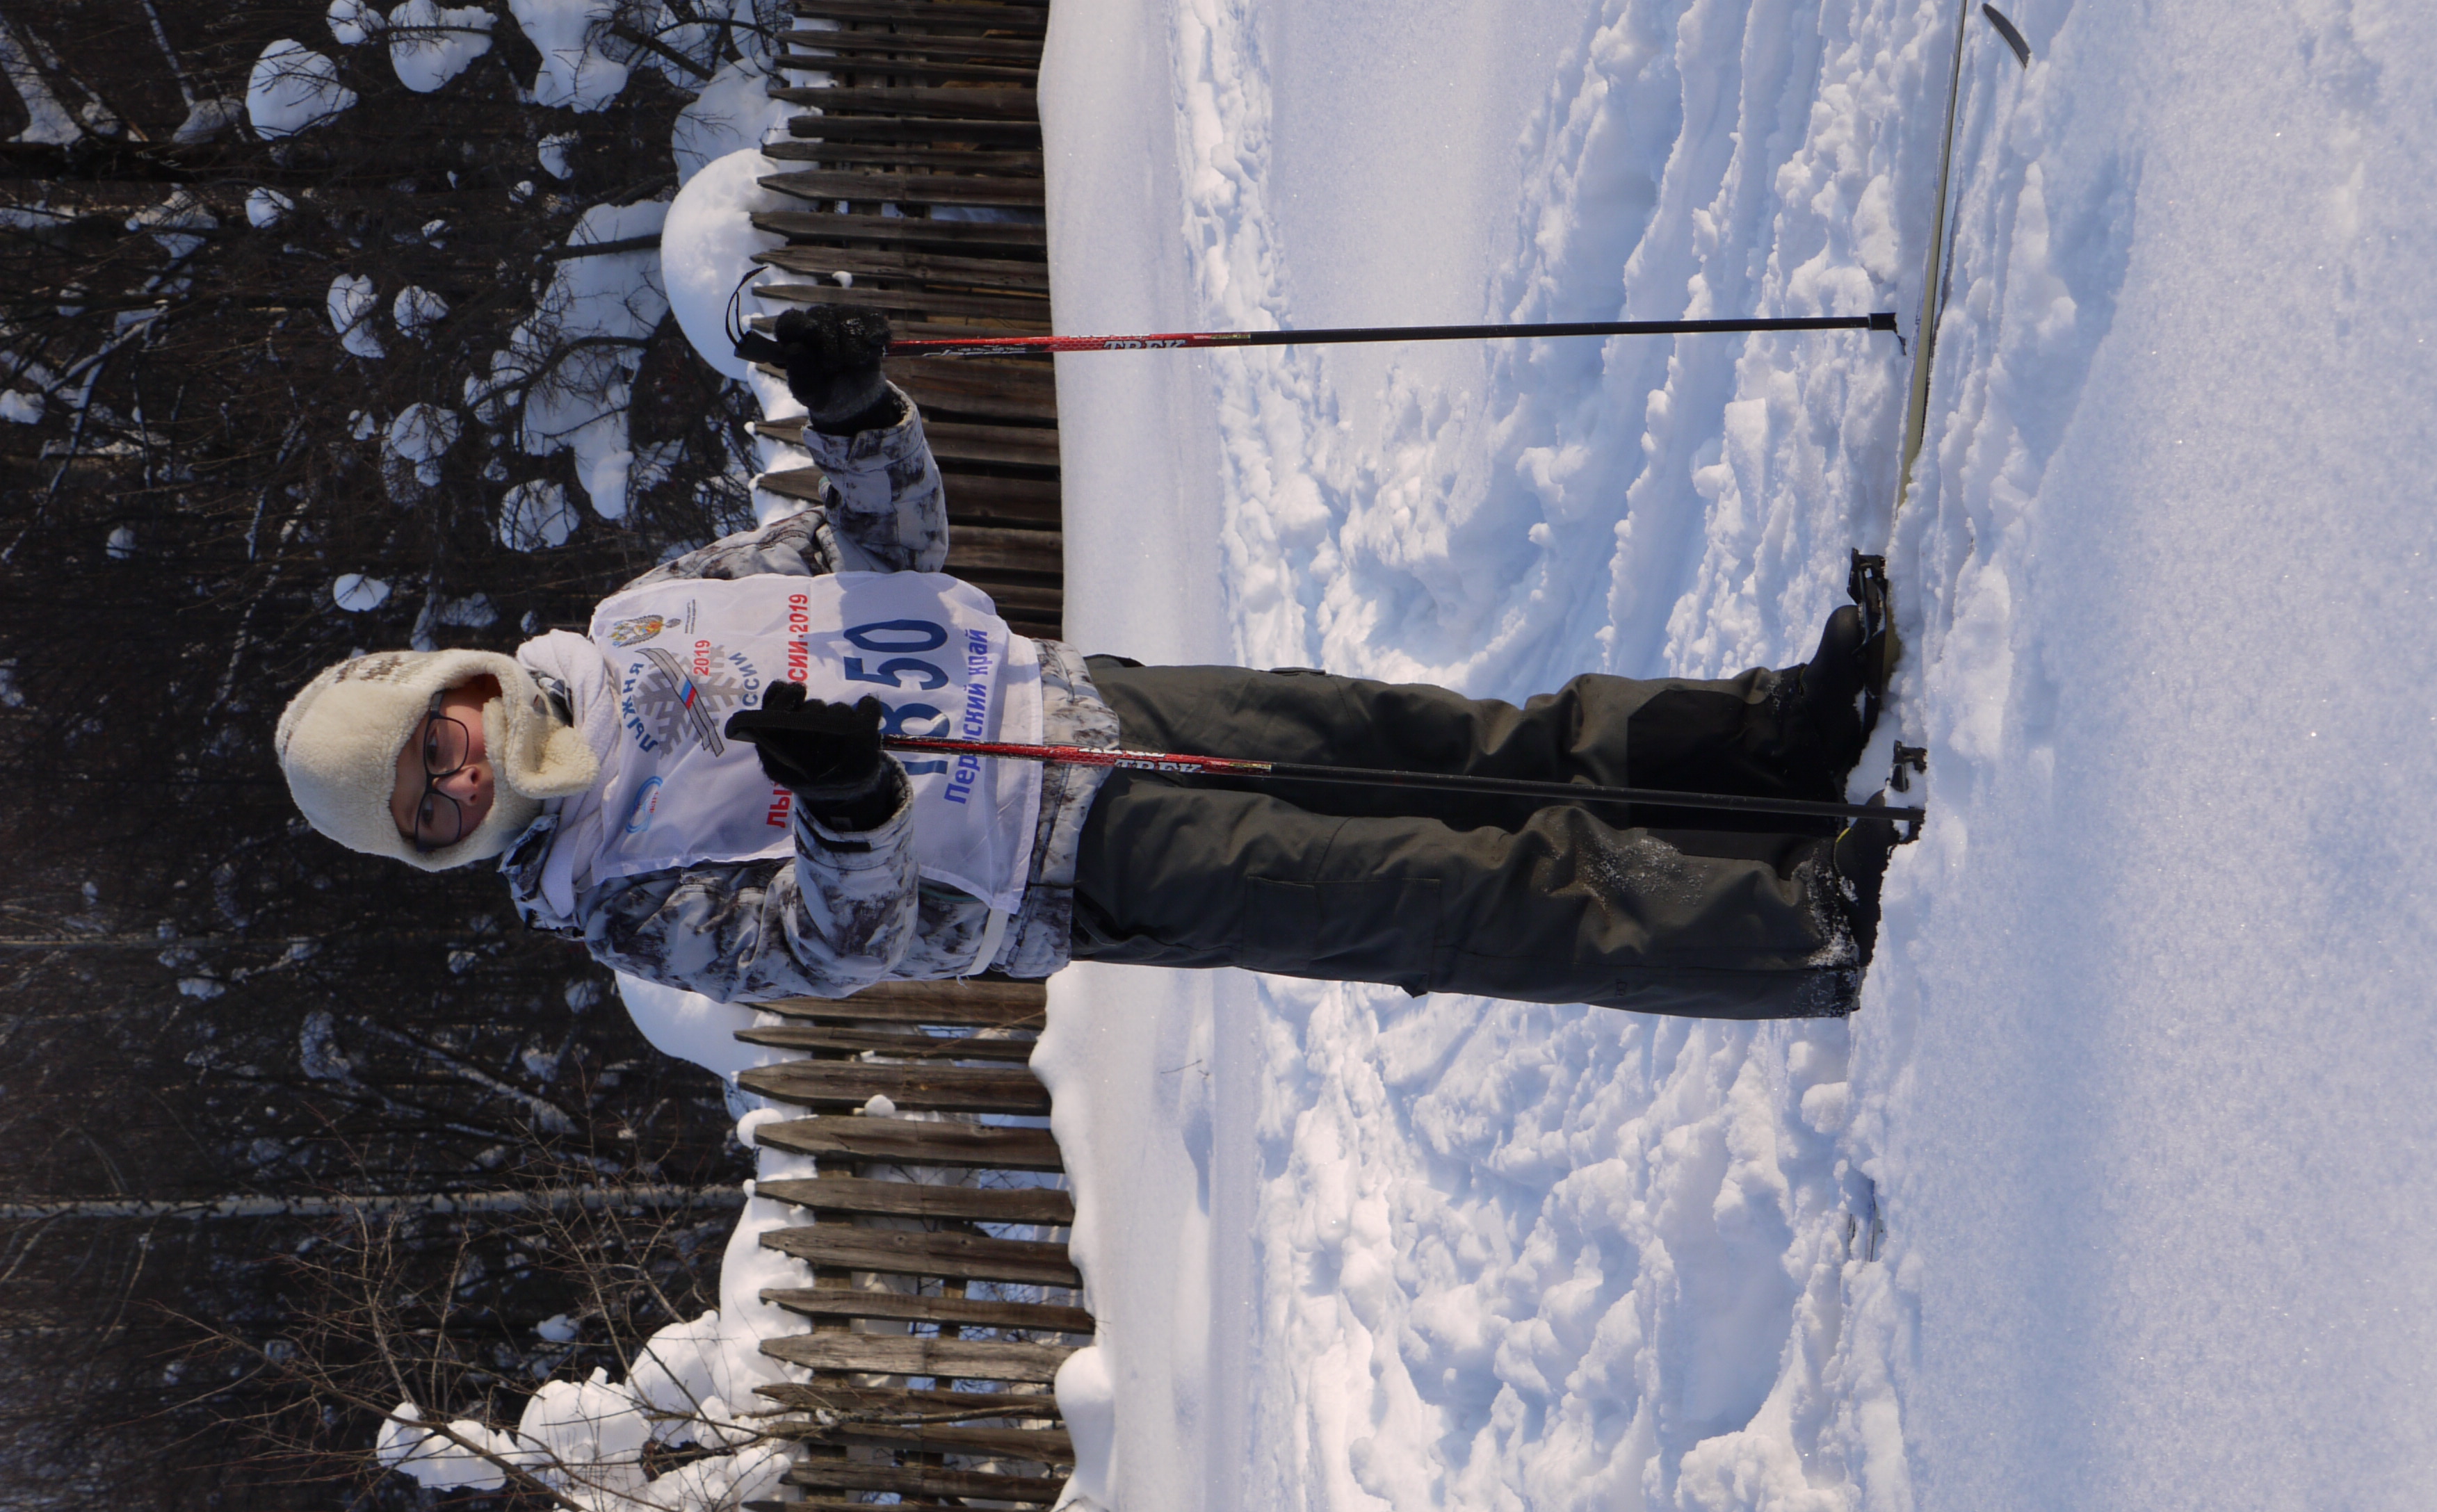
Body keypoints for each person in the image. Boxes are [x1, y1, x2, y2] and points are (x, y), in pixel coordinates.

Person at [276, 309, 1900, 1019]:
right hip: (1066, 857)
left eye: (430, 738)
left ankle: (1769, 751)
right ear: (439, 846)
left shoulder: (635, 620)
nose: (453, 773)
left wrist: (857, 419)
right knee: (1432, 886)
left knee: (1460, 743)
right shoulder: (615, 899)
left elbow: (887, 560)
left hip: (1091, 701)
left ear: (448, 679)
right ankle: (1794, 925)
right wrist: (847, 808)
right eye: (425, 806)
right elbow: (834, 948)